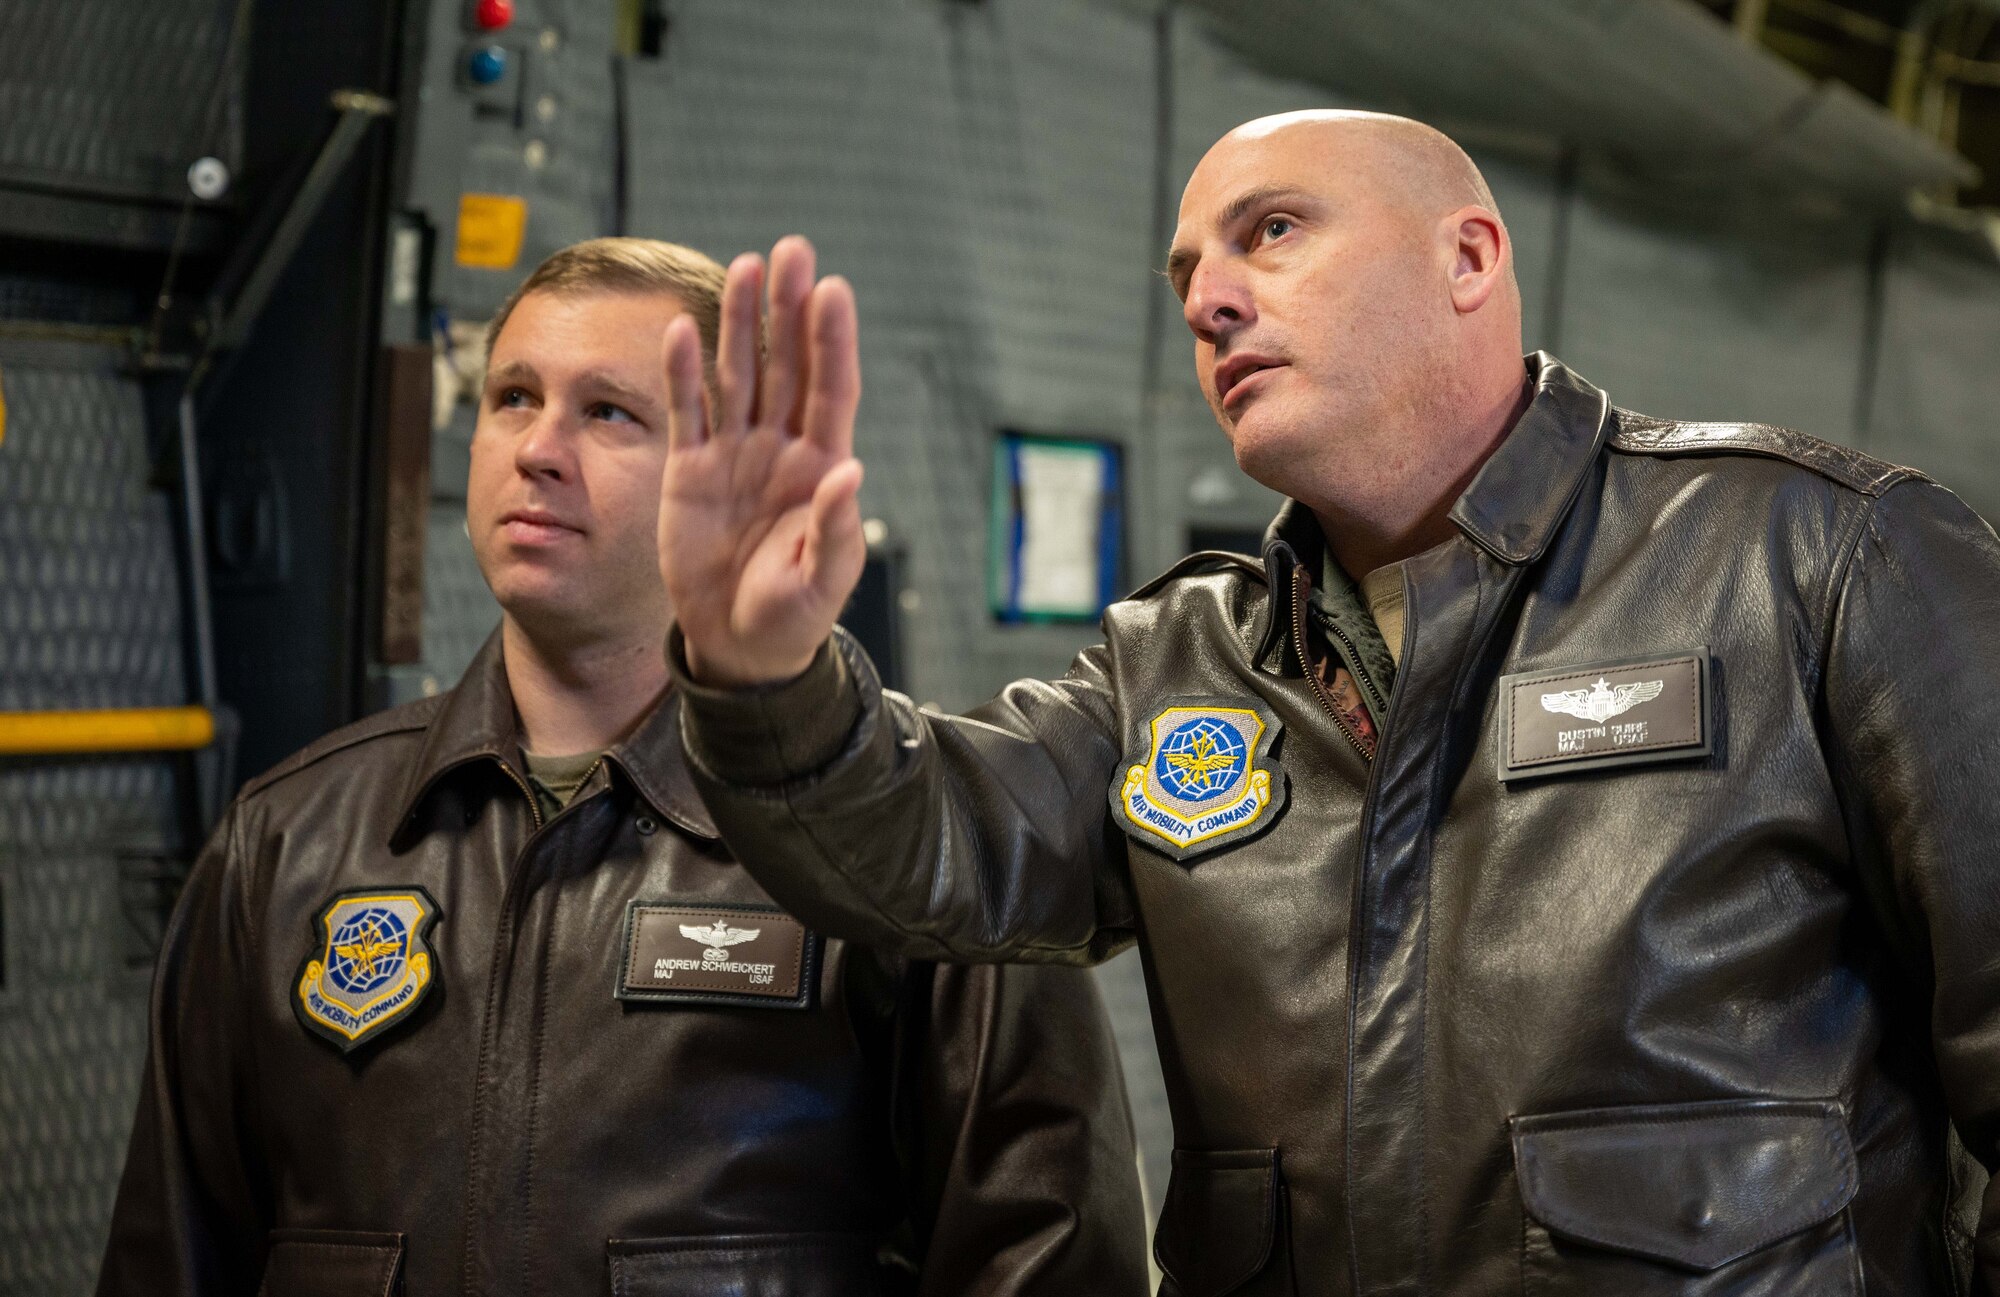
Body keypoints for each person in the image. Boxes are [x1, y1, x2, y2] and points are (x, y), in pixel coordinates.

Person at [657, 112, 2000, 1295]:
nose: (1209, 302)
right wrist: (761, 670)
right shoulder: (1178, 660)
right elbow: (923, 849)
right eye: (1188, 274)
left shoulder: (1817, 557)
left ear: (1467, 260)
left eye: (1274, 232)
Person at [96, 237, 1149, 1297]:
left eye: (609, 413)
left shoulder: (905, 846)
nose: (538, 449)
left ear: (732, 470)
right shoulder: (288, 840)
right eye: (513, 396)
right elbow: (173, 1254)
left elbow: (1046, 1261)